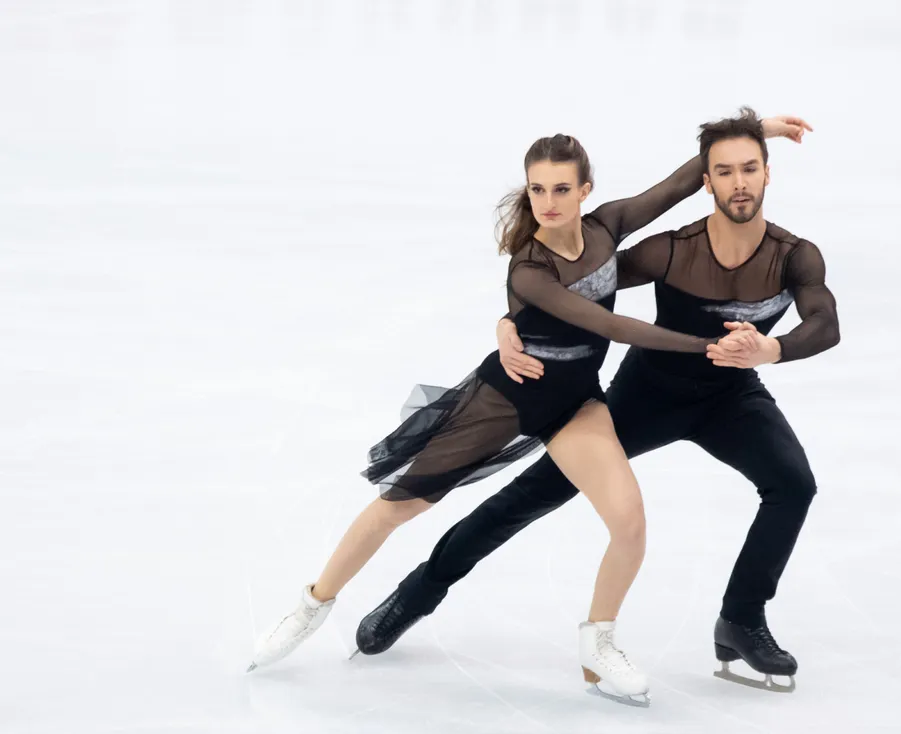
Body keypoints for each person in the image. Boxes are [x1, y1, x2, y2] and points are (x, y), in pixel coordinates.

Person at [247, 119, 810, 706]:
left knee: (629, 521)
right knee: (400, 505)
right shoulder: (530, 267)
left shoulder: (609, 226)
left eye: (561, 189)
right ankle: (312, 604)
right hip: (509, 398)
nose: (547, 202)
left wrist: (754, 128)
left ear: (585, 189)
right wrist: (711, 347)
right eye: (537, 190)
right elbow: (609, 324)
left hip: (576, 402)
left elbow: (693, 178)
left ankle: (598, 644)